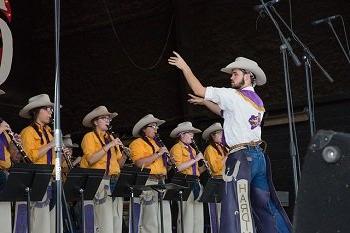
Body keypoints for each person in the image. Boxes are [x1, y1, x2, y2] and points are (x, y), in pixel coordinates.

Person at [168, 53, 292, 233]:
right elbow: (223, 112)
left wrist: (184, 67)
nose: (231, 77)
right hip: (258, 156)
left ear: (248, 75)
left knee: (236, 207)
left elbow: (199, 89)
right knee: (265, 206)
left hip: (240, 158)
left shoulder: (234, 95)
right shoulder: (257, 101)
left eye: (235, 73)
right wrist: (205, 103)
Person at [81, 106, 127, 233]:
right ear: (95, 122)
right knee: (104, 221)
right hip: (100, 181)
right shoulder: (89, 137)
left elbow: (119, 164)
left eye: (108, 118)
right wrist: (109, 146)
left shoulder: (110, 138)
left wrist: (125, 155)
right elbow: (91, 160)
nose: (108, 121)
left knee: (116, 219)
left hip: (114, 180)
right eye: (104, 118)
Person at [16, 94, 57, 233]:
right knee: (38, 221)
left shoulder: (49, 133)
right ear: (36, 111)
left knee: (48, 221)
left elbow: (54, 158)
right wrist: (51, 144)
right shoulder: (27, 132)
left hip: (49, 179)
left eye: (51, 109)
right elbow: (30, 157)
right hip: (35, 179)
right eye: (47, 109)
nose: (51, 112)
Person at [129, 114, 172, 233]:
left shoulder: (158, 143)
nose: (156, 129)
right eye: (152, 126)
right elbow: (139, 163)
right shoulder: (137, 143)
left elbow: (165, 169)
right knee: (150, 219)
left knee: (165, 217)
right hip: (148, 181)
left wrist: (168, 162)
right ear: (144, 129)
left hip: (161, 181)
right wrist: (158, 154)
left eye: (156, 126)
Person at [169, 121, 204, 233]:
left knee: (198, 217)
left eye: (192, 133)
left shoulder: (193, 150)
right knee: (187, 216)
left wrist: (205, 167)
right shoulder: (176, 148)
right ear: (181, 134)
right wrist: (196, 159)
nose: (192, 135)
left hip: (196, 182)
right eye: (189, 133)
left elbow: (196, 170)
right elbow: (178, 168)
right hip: (184, 182)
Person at [202, 122, 228, 233]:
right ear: (213, 136)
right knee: (217, 214)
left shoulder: (224, 147)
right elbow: (216, 168)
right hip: (216, 182)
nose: (222, 135)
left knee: (227, 212)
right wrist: (227, 156)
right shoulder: (209, 149)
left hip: (227, 181)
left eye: (222, 133)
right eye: (219, 133)